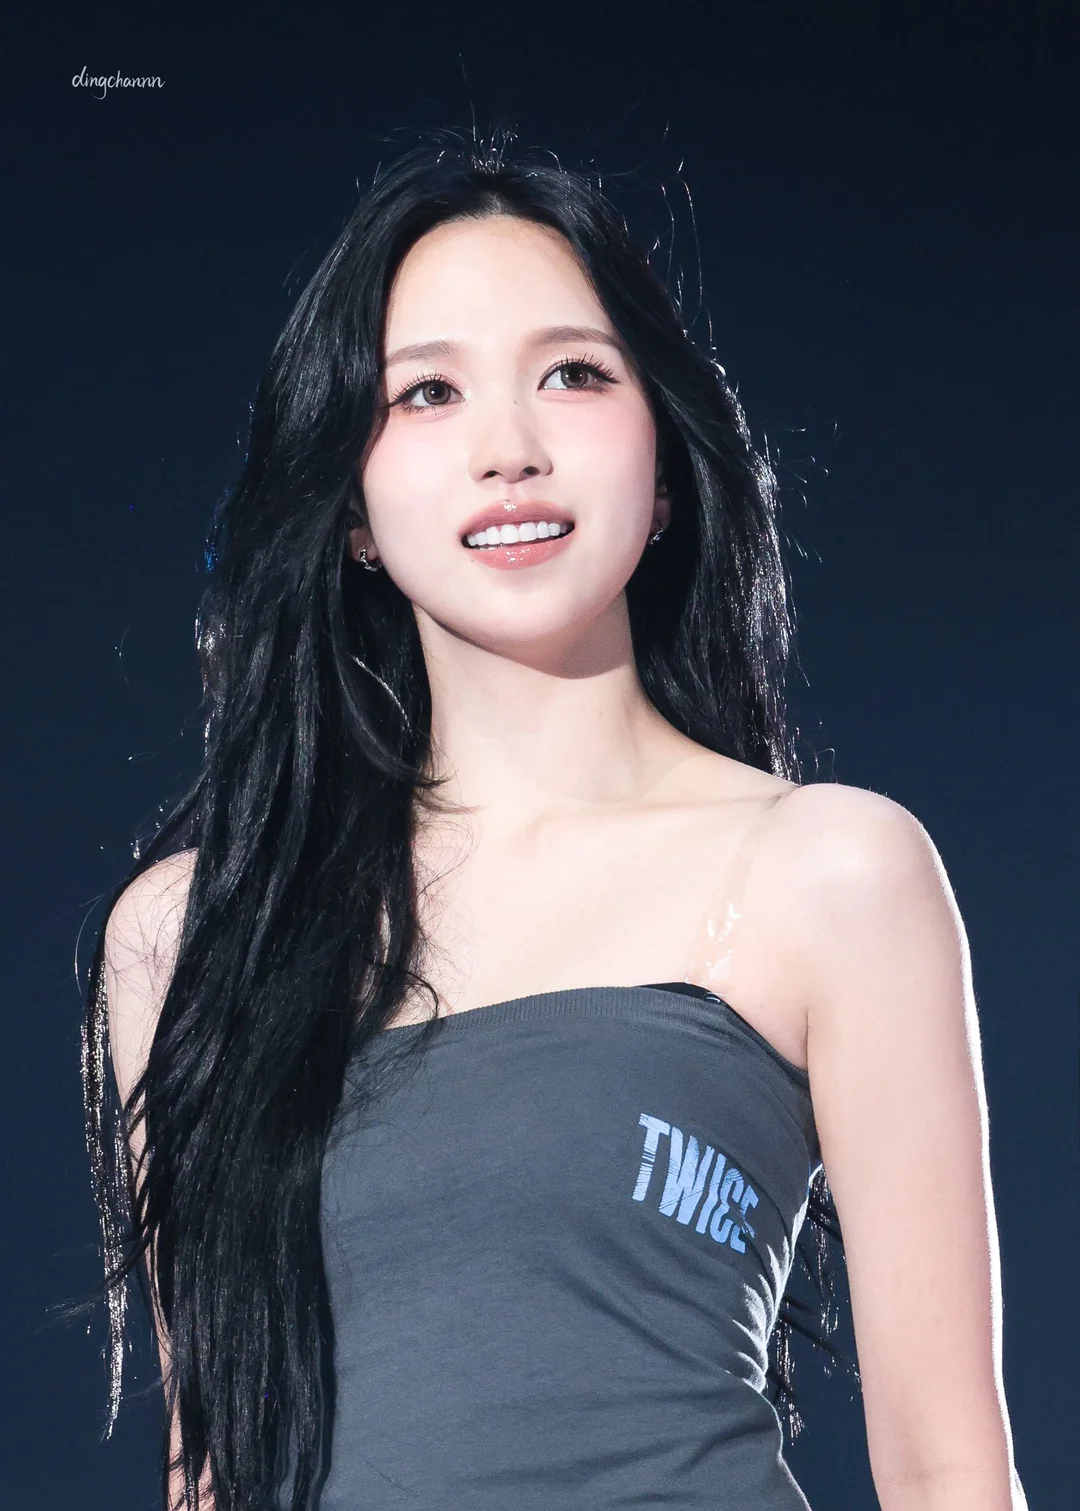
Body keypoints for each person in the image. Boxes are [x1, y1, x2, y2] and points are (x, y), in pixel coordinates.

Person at [82, 128, 1028, 1510]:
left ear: (664, 462)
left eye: (573, 374)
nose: (509, 450)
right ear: (351, 508)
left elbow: (949, 1469)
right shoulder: (189, 935)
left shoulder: (827, 869)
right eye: (427, 393)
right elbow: (209, 1471)